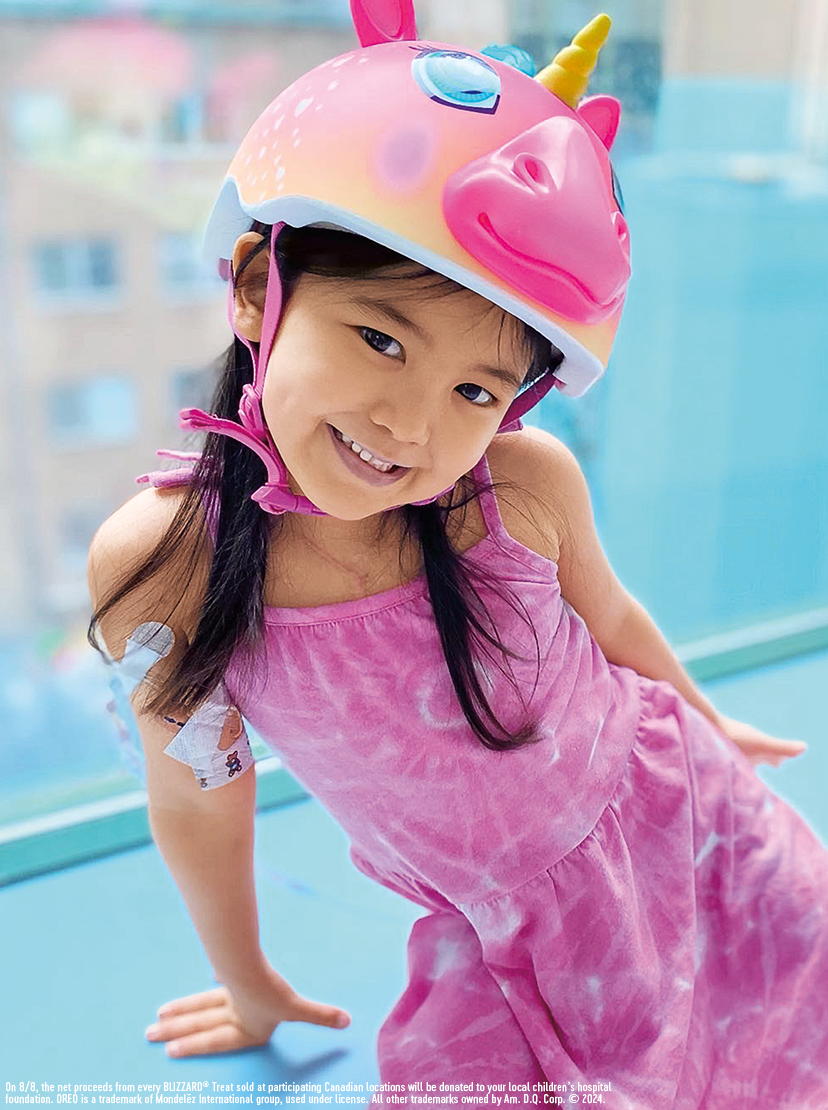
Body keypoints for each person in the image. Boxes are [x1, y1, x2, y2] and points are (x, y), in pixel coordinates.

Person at [86, 3, 828, 1105]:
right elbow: (200, 793)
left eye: (475, 390)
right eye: (381, 338)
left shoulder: (519, 490)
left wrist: (713, 728)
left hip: (697, 829)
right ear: (255, 286)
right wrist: (247, 986)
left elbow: (612, 624)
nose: (410, 427)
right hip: (498, 936)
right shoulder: (165, 568)